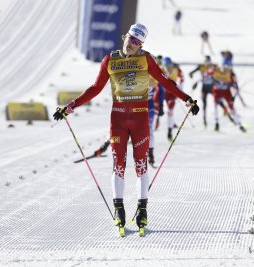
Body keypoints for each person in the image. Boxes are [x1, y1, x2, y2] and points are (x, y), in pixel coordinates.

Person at [53, 23, 199, 233]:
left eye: (138, 42)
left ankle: (142, 210)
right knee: (118, 165)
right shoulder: (110, 60)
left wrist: (187, 99)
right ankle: (119, 209)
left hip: (140, 120)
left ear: (142, 44)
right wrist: (70, 107)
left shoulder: (146, 59)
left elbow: (166, 82)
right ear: (125, 36)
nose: (133, 45)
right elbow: (95, 88)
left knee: (141, 165)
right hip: (118, 120)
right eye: (131, 40)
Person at [210, 60, 246, 133]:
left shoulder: (231, 74)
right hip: (217, 90)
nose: (225, 70)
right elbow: (206, 75)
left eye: (227, 68)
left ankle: (239, 124)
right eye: (223, 68)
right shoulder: (215, 70)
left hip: (226, 91)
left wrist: (233, 97)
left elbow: (235, 86)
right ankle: (216, 123)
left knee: (231, 107)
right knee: (215, 105)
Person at [189, 55, 216, 127]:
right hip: (204, 87)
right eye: (206, 62)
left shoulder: (214, 67)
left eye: (208, 63)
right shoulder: (201, 66)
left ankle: (223, 114)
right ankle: (204, 120)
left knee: (217, 101)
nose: (207, 64)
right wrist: (191, 75)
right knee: (204, 103)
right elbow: (191, 72)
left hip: (212, 87)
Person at [161, 57, 184, 141]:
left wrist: (181, 90)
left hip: (172, 93)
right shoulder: (161, 69)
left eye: (169, 65)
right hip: (163, 93)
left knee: (169, 111)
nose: (168, 67)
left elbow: (182, 79)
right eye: (166, 66)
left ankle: (169, 131)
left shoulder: (176, 69)